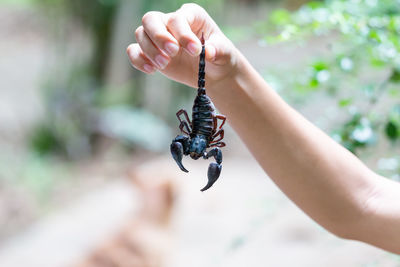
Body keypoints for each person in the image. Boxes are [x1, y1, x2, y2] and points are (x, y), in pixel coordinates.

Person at [126, 3, 400, 254]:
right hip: (204, 110)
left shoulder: (201, 141)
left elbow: (365, 205)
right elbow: (364, 203)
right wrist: (225, 79)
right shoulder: (209, 137)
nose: (197, 153)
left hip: (201, 117)